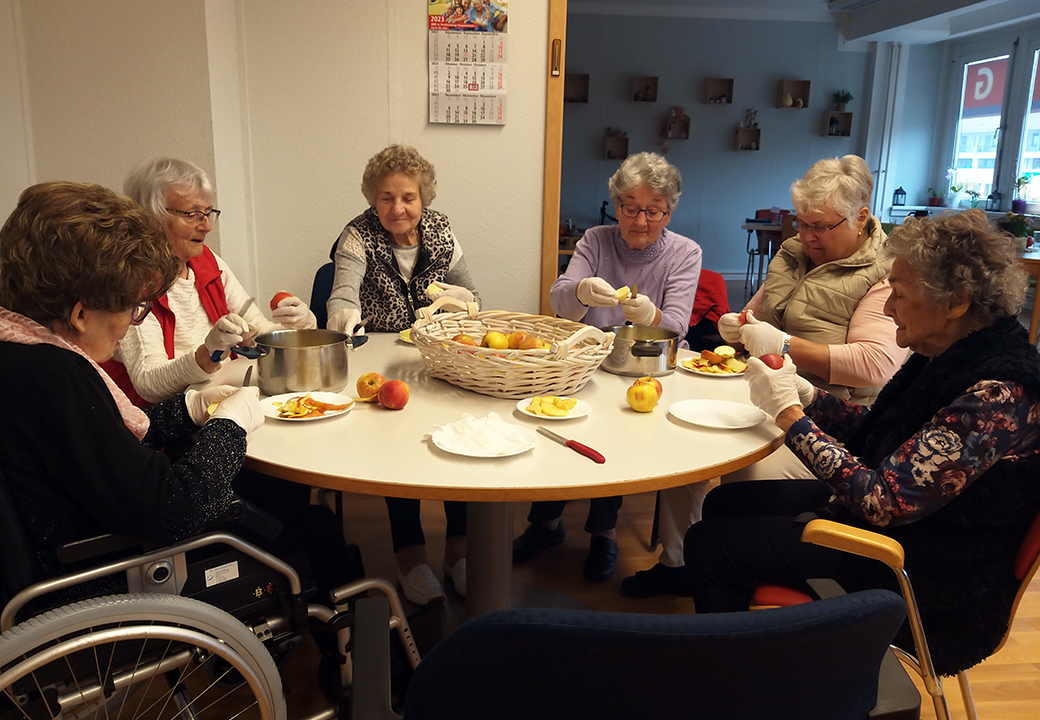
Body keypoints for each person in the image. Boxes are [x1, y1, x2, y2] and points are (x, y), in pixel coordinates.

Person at [684, 210, 1040, 677]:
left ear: (956, 301)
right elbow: (881, 431)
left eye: (901, 293)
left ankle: (743, 683)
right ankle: (772, 656)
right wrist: (811, 398)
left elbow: (883, 498)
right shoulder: (954, 350)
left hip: (929, 570)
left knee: (712, 545)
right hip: (911, 525)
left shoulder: (997, 391)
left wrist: (790, 417)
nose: (889, 307)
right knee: (730, 502)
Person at [622, 154, 905, 598]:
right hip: (758, 391)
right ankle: (679, 563)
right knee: (684, 442)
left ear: (861, 218)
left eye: (820, 226)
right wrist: (738, 324)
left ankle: (740, 571)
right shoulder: (793, 253)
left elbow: (873, 364)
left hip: (823, 412)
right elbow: (758, 313)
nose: (807, 236)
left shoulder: (882, 274)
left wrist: (786, 345)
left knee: (748, 472)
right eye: (801, 222)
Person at [0, 182, 262, 588]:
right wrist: (230, 427)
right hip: (97, 578)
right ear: (81, 314)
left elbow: (96, 443)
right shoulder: (53, 375)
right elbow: (173, 509)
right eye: (134, 307)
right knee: (305, 532)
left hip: (74, 545)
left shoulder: (18, 347)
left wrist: (188, 408)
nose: (131, 323)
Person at [513, 151, 701, 583]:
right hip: (589, 365)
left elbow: (675, 325)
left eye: (653, 211)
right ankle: (545, 524)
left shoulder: (685, 253)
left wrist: (649, 314)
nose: (639, 221)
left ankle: (605, 534)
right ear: (616, 205)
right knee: (556, 419)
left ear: (669, 212)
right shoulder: (595, 241)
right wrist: (580, 290)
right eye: (630, 208)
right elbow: (558, 301)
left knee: (618, 428)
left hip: (649, 371)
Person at [327, 144, 481, 606]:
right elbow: (342, 293)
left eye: (408, 197)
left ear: (424, 197)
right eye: (386, 197)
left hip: (440, 355)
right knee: (397, 448)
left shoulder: (441, 230)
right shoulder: (357, 236)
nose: (398, 208)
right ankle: (410, 554)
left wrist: (463, 300)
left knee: (457, 438)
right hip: (380, 356)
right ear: (373, 199)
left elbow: (474, 297)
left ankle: (460, 549)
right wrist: (342, 315)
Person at [112, 158, 317, 406]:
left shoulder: (208, 264)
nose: (207, 226)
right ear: (150, 216)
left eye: (208, 214)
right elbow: (149, 383)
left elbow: (258, 335)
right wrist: (207, 353)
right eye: (193, 215)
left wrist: (302, 327)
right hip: (173, 424)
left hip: (225, 401)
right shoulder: (132, 280)